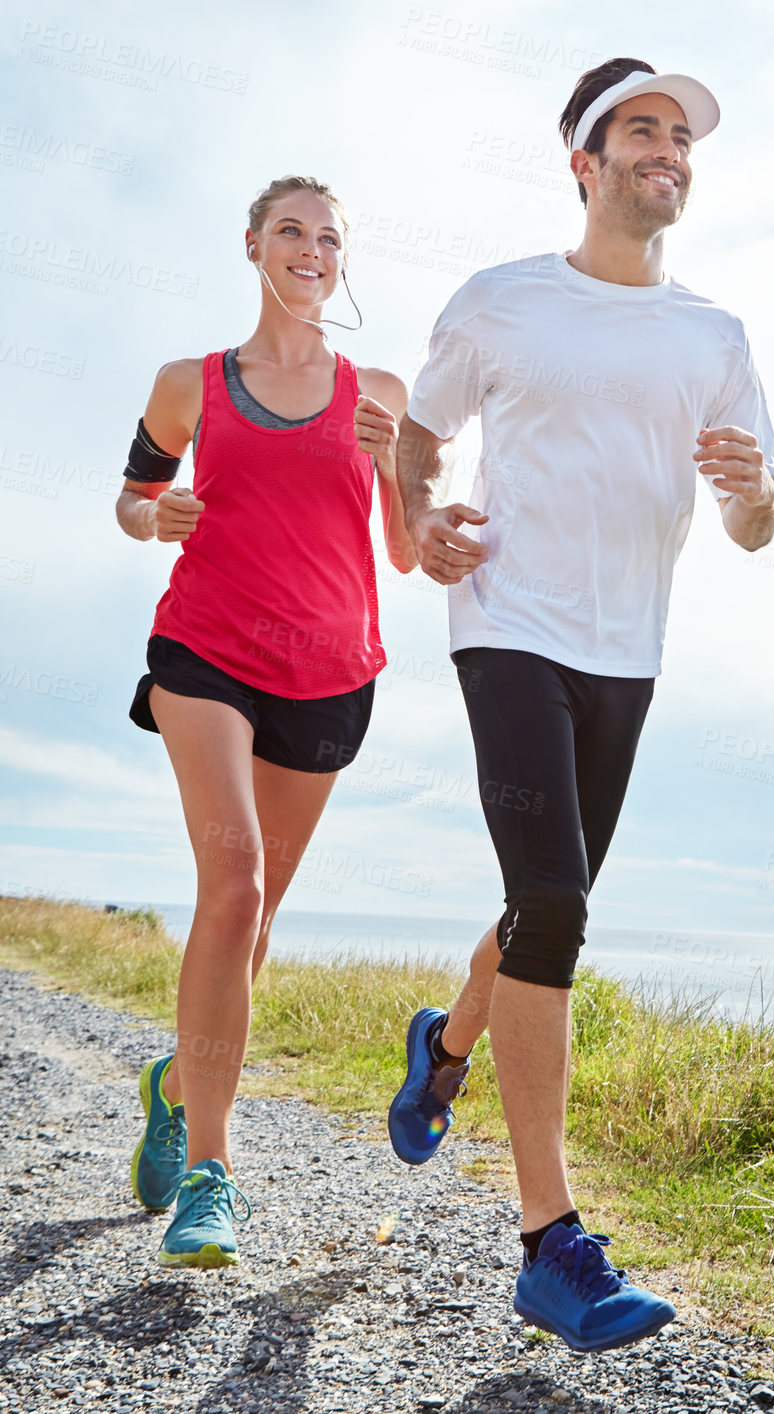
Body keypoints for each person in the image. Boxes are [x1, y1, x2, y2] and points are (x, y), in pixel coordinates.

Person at [387, 59, 774, 1351]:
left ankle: (442, 1046)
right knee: (556, 901)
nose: (667, 148)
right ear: (584, 162)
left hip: (628, 651)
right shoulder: (501, 303)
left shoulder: (713, 337)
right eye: (641, 129)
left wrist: (745, 487)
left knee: (534, 905)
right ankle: (550, 1244)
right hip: (506, 624)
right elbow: (417, 434)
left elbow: (760, 520)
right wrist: (419, 523)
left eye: (681, 135)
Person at [118, 175, 416, 1267]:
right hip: (206, 648)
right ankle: (212, 1170)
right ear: (253, 246)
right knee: (232, 881)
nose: (310, 249)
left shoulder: (378, 386)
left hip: (330, 670)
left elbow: (408, 550)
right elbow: (130, 495)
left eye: (328, 236)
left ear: (342, 260)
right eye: (290, 230)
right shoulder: (188, 383)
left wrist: (391, 463)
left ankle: (172, 1077)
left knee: (258, 917)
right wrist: (157, 516)